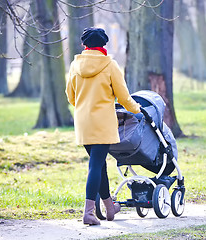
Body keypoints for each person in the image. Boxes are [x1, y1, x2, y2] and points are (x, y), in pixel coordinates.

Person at [65, 27, 140, 225]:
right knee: (95, 165)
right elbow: (124, 97)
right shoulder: (110, 65)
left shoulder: (75, 65)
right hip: (102, 123)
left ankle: (109, 208)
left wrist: (84, 107)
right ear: (104, 45)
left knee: (99, 165)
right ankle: (88, 212)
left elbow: (70, 96)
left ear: (84, 45)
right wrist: (137, 109)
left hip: (83, 122)